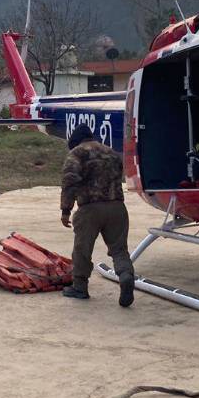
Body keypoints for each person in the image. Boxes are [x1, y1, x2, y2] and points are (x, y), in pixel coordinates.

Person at [60, 124, 134, 306]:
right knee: (119, 249)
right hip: (117, 206)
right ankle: (125, 275)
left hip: (90, 209)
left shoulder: (77, 153)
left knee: (82, 250)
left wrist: (65, 210)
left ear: (75, 140)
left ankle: (80, 287)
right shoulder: (111, 152)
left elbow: (70, 182)